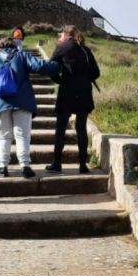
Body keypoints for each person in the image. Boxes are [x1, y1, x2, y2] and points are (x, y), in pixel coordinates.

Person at [0, 36, 57, 178]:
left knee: (4, 136)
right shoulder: (22, 56)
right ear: (14, 45)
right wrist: (57, 65)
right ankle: (25, 166)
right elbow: (40, 66)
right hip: (22, 101)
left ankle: (2, 167)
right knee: (22, 135)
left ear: (0, 46)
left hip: (2, 102)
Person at [46, 25, 100, 174]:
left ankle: (57, 163)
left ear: (65, 34)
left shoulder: (62, 48)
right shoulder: (86, 50)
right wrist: (84, 79)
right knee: (81, 129)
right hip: (84, 93)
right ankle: (83, 165)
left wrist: (60, 80)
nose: (60, 37)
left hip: (67, 93)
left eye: (61, 35)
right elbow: (96, 73)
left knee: (61, 128)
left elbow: (50, 69)